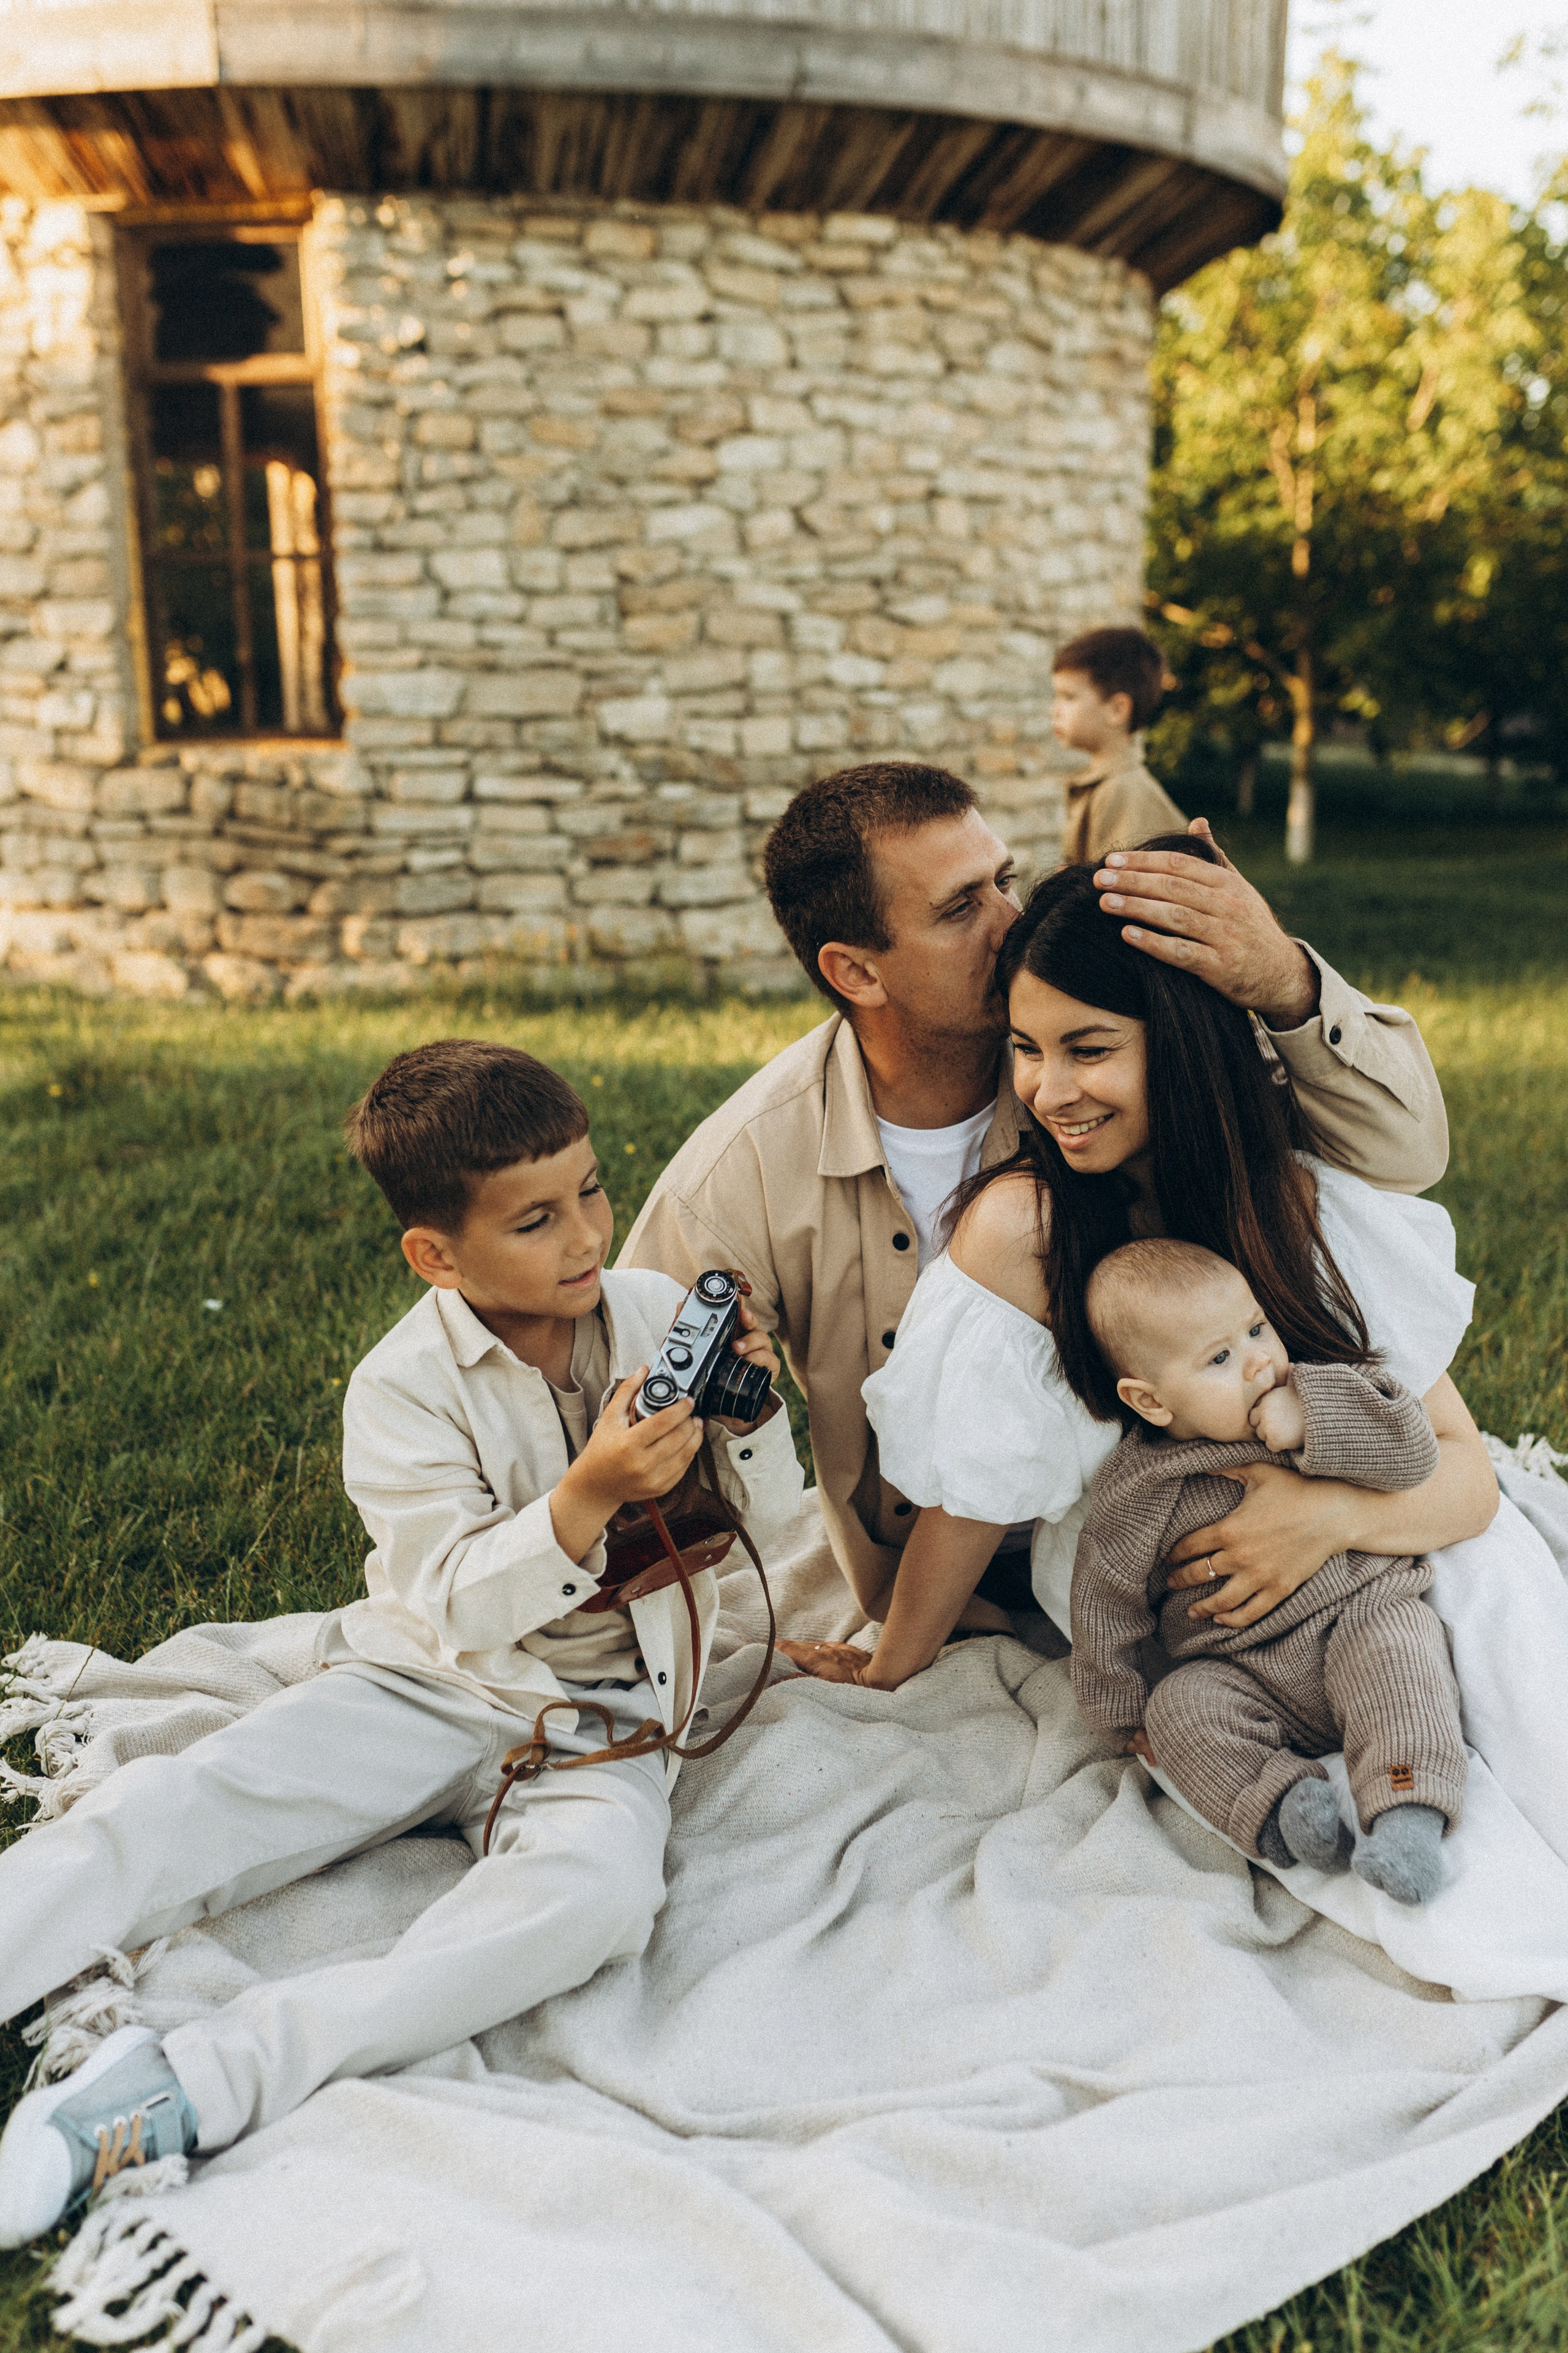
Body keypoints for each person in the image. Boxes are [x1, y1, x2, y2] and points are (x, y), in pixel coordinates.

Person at [0, 1040, 802, 2246]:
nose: (586, 1236)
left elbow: (778, 1525)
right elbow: (457, 1604)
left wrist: (752, 1414)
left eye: (591, 1188)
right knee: (186, 1806)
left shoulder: (645, 1313)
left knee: (592, 1904)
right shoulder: (398, 1388)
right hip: (433, 1679)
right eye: (534, 1219)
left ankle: (184, 2087)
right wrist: (585, 1494)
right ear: (435, 1255)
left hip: (610, 1714)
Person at [622, 763, 1450, 1630]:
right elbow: (623, 1409)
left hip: (1193, 1545)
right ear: (856, 972)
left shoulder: (1114, 1068)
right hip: (953, 1589)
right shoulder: (740, 1175)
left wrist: (1284, 980)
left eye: (1004, 882)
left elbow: (1401, 1153)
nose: (1011, 924)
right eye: (960, 908)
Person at [785, 841, 1496, 1695]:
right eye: (1027, 1048)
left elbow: (1467, 1474)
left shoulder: (1286, 1199)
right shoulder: (1028, 1231)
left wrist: (1327, 1519)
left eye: (1089, 1050)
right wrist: (889, 1662)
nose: (1049, 1093)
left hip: (1365, 1550)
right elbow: (972, 1491)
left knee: (1485, 1676)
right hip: (1162, 1607)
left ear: (1183, 1045)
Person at [1068, 1238, 1466, 1906]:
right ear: (1152, 1400)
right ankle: (1286, 1808)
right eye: (1220, 1358)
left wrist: (1314, 1416)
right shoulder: (1136, 1492)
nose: (1259, 1360)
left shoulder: (1317, 1393)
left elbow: (1412, 1449)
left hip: (1355, 1617)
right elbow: (1103, 1604)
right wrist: (1124, 1711)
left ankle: (1406, 1813)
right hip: (1239, 1669)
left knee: (1401, 1654)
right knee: (1180, 1710)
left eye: (1256, 1328)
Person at [1052, 626, 1186, 866]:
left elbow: (1113, 895)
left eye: (1069, 697)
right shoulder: (1108, 784)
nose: (1055, 710)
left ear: (1117, 710)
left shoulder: (1121, 791)